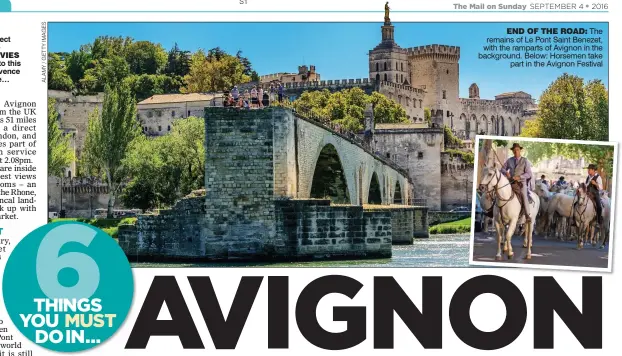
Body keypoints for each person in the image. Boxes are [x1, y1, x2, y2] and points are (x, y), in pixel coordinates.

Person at [500, 143, 534, 222]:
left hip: (521, 184)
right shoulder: (509, 160)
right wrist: (506, 172)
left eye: (517, 150)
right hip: (511, 183)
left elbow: (529, 174)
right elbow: (502, 169)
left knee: (524, 196)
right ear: (512, 151)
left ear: (520, 150)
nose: (516, 151)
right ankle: (493, 211)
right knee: (500, 192)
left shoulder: (525, 161)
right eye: (514, 150)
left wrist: (519, 177)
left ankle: (527, 215)